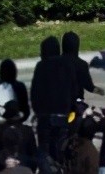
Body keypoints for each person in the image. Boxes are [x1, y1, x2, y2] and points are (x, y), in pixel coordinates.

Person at [30, 36, 77, 166]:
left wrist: (37, 110)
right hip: (63, 115)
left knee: (45, 152)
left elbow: (35, 92)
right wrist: (71, 108)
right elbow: (73, 89)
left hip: (45, 116)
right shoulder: (67, 65)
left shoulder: (41, 66)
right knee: (61, 148)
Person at [61, 32, 105, 100]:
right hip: (76, 102)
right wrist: (101, 91)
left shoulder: (54, 62)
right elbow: (89, 87)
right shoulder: (82, 64)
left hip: (56, 102)